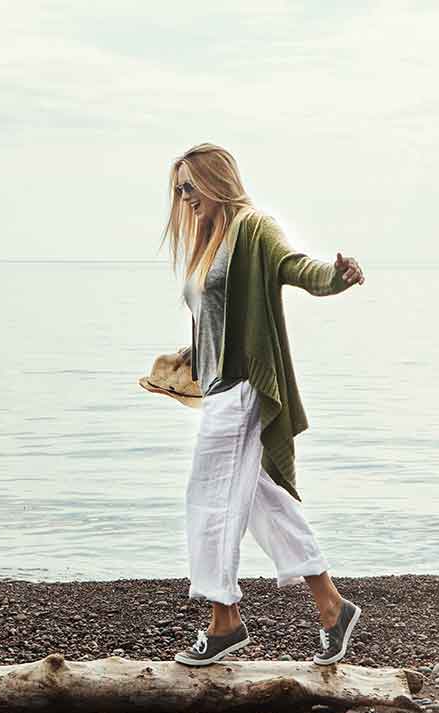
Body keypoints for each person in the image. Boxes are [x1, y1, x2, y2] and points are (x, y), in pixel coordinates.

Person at [159, 142, 366, 667]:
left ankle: (224, 620)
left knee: (208, 499)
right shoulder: (211, 240)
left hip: (245, 386)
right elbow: (217, 316)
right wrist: (192, 355)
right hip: (219, 385)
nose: (184, 199)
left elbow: (298, 268)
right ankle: (330, 605)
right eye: (178, 190)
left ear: (215, 179)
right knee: (259, 498)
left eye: (190, 186)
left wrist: (337, 276)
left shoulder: (253, 227)